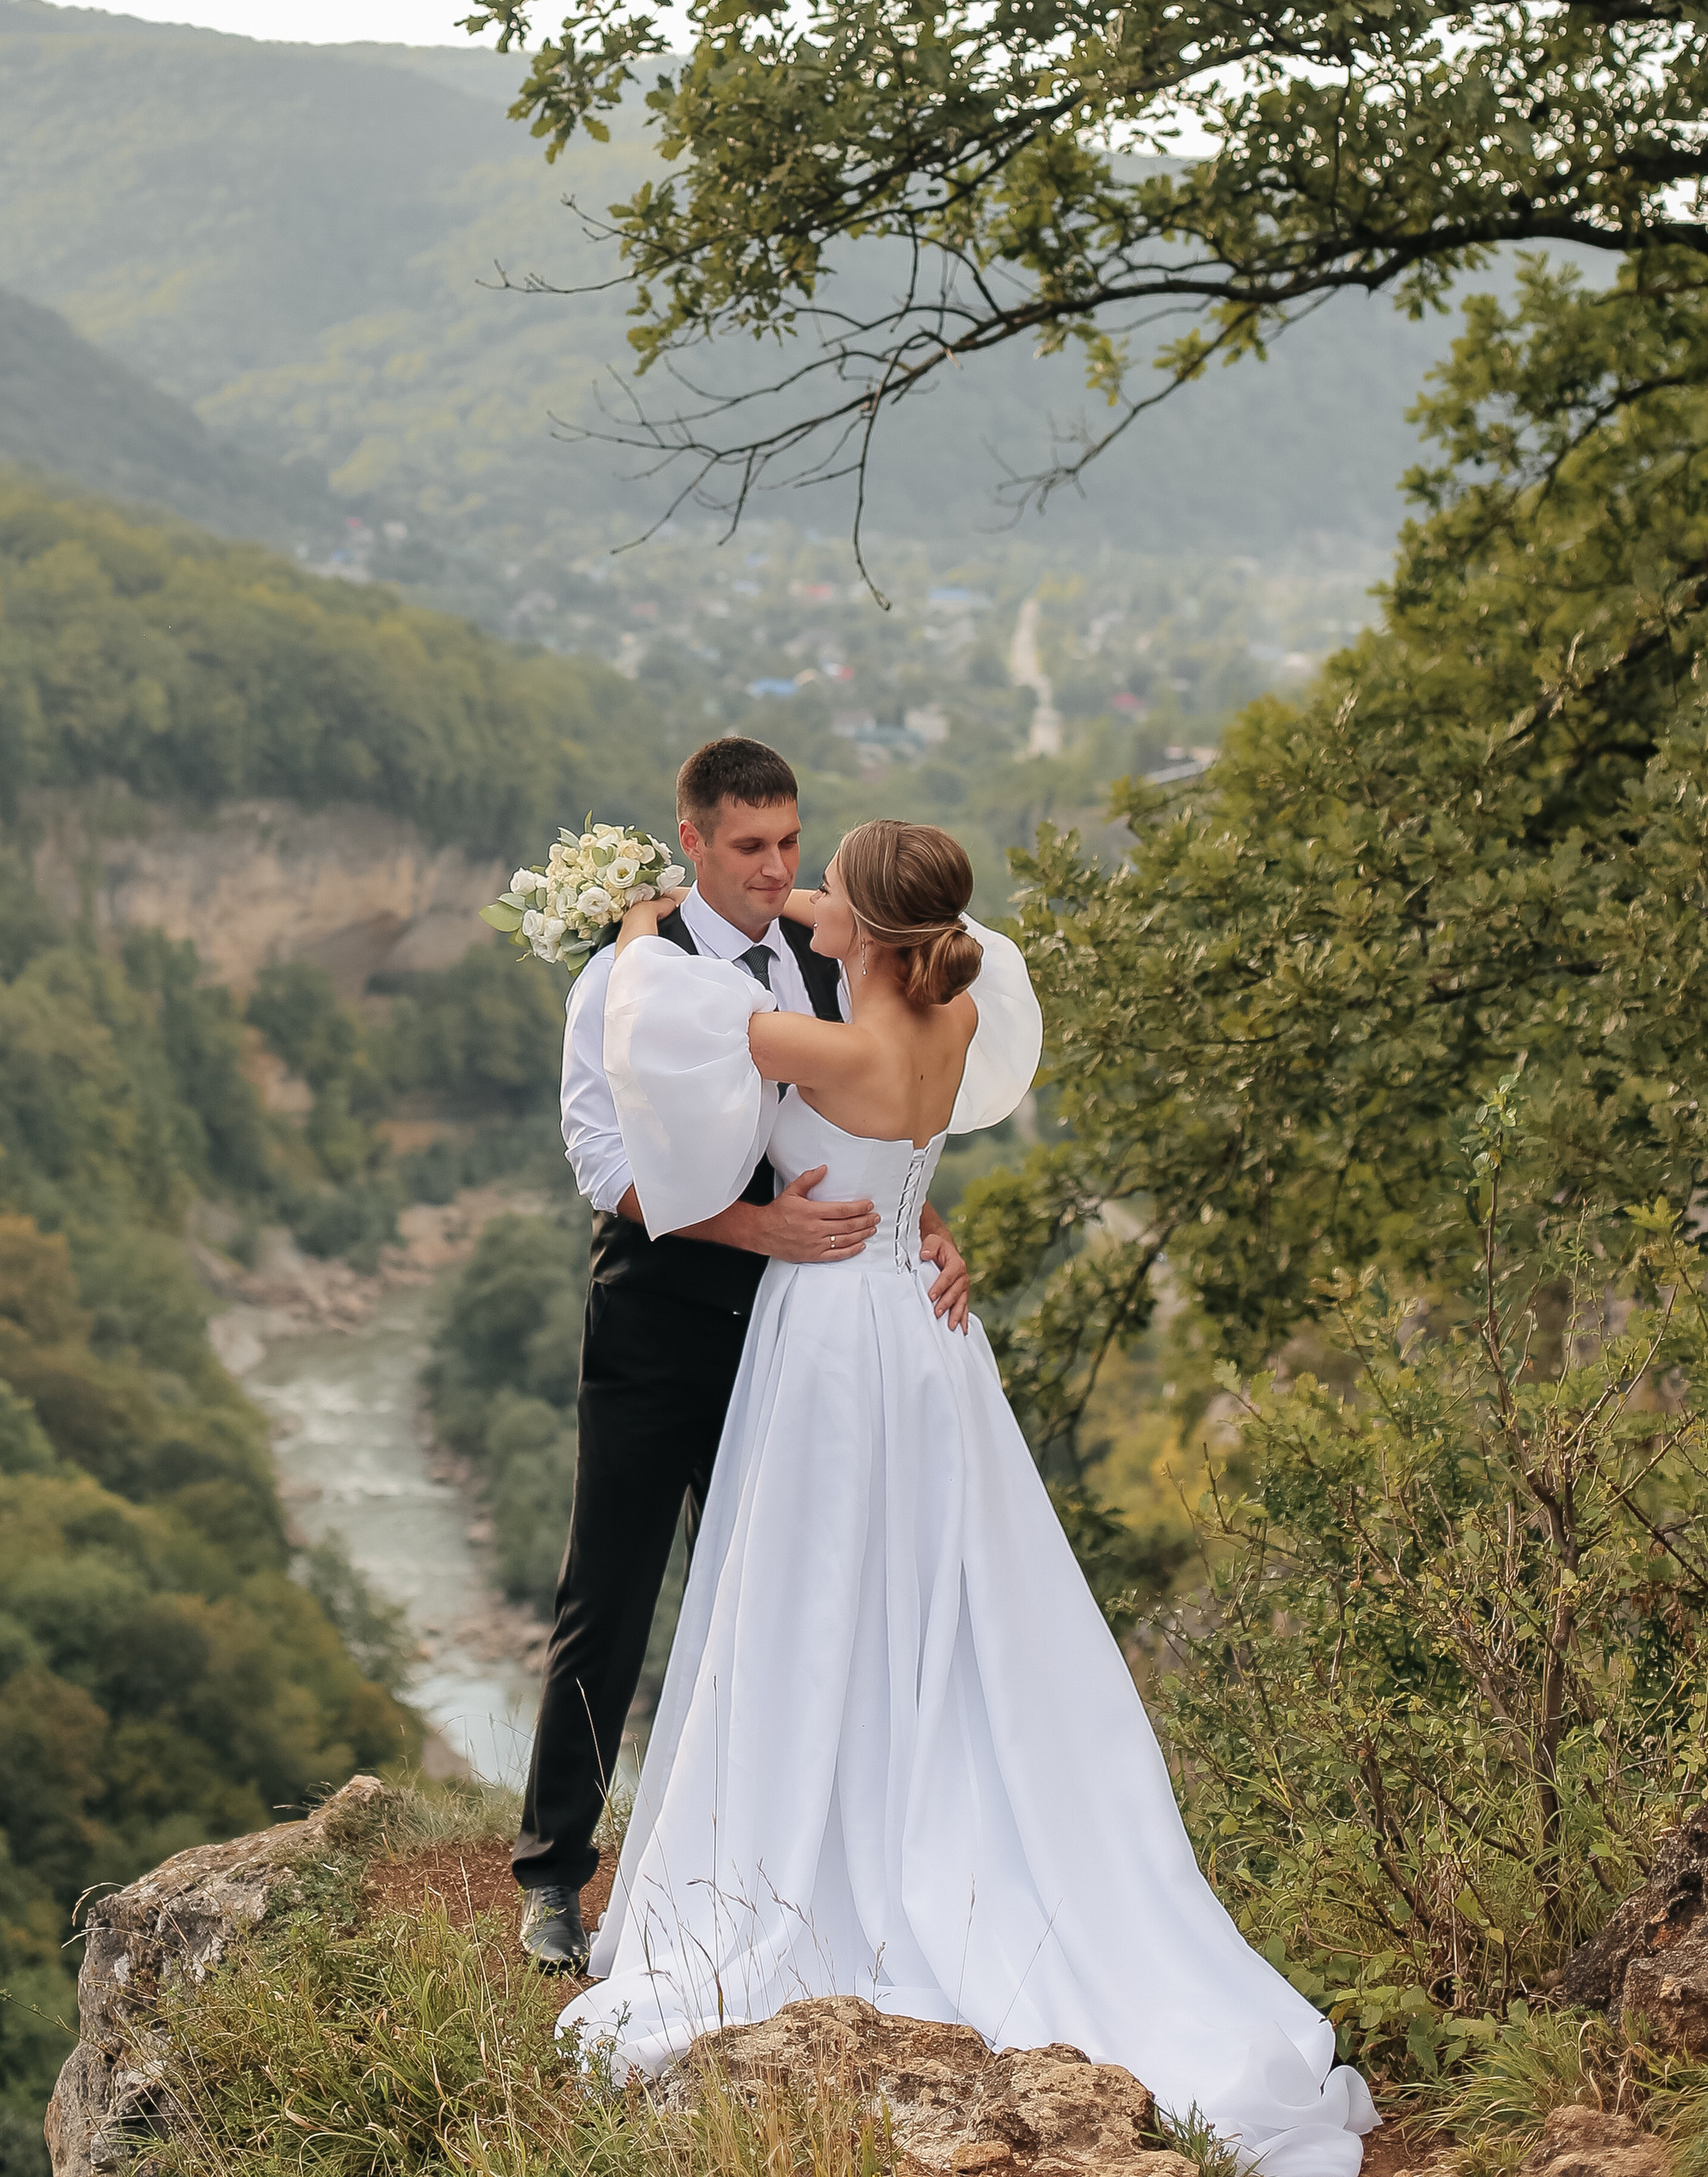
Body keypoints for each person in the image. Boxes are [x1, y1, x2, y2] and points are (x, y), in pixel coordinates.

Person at [555, 817, 1376, 2177]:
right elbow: (872, 990)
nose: (802, 894)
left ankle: (825, 1824)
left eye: (829, 887)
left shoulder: (841, 1042)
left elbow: (673, 1011)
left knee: (814, 1586)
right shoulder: (948, 1008)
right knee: (932, 1580)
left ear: (868, 935)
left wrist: (638, 927)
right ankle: (900, 1774)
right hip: (925, 1341)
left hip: (828, 1341)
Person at [510, 737, 987, 1970]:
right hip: (660, 1320)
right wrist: (750, 1224)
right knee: (608, 1595)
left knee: (780, 1595)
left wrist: (919, 1225)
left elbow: (872, 1123)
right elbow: (602, 1167)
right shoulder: (621, 982)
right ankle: (553, 1877)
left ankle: (770, 1865)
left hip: (805, 1335)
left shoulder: (840, 966)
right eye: (750, 849)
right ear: (694, 847)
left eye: (791, 844)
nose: (778, 872)